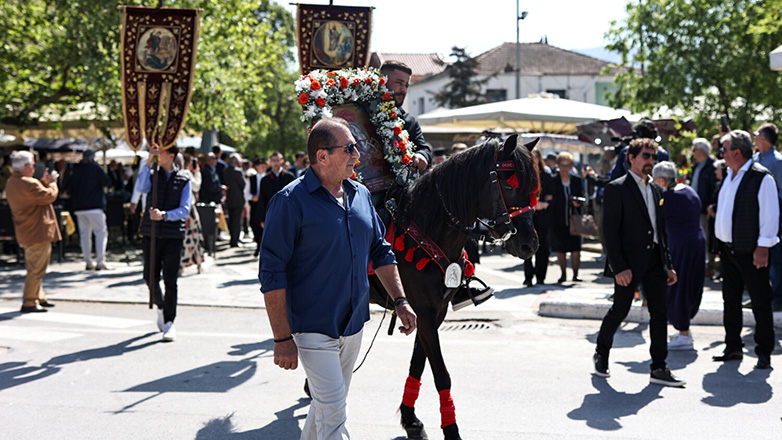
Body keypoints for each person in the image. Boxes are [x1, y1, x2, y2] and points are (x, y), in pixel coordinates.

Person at [260, 117, 416, 439]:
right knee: (334, 415)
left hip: (354, 323)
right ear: (322, 156)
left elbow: (381, 251)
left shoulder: (360, 195)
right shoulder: (290, 202)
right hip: (312, 327)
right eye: (349, 149)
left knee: (325, 405)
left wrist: (400, 301)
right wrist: (281, 338)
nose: (358, 156)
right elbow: (271, 273)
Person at [593, 138, 684, 387]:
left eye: (653, 157)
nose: (650, 162)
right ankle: (601, 353)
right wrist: (619, 267)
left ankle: (658, 367)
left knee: (659, 313)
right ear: (631, 158)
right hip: (628, 263)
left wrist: (668, 264)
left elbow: (660, 231)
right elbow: (609, 233)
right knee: (620, 310)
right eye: (645, 156)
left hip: (655, 261)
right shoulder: (617, 188)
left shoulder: (656, 188)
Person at [711, 130, 776, 370]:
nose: (722, 154)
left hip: (751, 251)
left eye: (724, 149)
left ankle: (764, 351)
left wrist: (763, 246)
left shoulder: (761, 177)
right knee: (731, 300)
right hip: (729, 251)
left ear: (737, 153)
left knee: (760, 301)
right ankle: (733, 346)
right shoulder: (729, 175)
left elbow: (770, 216)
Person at [134, 144, 191, 342]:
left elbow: (185, 209)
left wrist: (165, 215)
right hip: (151, 232)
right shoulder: (152, 174)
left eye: (161, 152)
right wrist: (149, 161)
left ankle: (169, 321)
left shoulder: (184, 179)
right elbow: (141, 188)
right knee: (149, 276)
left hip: (173, 234)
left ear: (172, 156)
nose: (158, 155)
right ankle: (161, 305)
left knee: (170, 279)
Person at [652, 161, 705, 351]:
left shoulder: (669, 198)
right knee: (690, 284)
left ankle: (684, 333)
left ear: (663, 180)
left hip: (682, 247)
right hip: (696, 243)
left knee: (679, 287)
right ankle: (684, 331)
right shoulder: (689, 191)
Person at [5, 150, 61, 313]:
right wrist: (52, 182)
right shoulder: (29, 183)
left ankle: (39, 296)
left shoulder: (12, 182)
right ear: (27, 166)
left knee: (34, 266)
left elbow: (36, 196)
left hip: (26, 231)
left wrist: (43, 182)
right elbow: (49, 196)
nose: (34, 168)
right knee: (37, 268)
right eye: (33, 165)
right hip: (37, 231)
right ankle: (29, 300)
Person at [752, 123, 782, 312]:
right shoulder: (756, 158)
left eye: (756, 135)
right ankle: (761, 295)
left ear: (763, 138)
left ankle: (777, 297)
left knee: (775, 259)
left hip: (773, 217)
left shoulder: (777, 162)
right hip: (754, 217)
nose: (754, 137)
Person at [69, 150, 112, 270]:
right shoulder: (95, 169)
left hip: (79, 207)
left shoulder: (76, 170)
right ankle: (100, 261)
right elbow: (107, 182)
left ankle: (88, 261)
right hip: (94, 206)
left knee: (84, 236)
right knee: (100, 233)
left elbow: (70, 187)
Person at [549, 152, 584, 283]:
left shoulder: (576, 180)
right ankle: (563, 274)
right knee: (560, 249)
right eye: (562, 165)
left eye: (567, 165)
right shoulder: (553, 180)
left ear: (571, 166)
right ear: (558, 166)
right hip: (557, 219)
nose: (564, 168)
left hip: (573, 219)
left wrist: (578, 202)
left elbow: (582, 196)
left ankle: (576, 274)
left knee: (576, 248)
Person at [688, 138, 717, 276]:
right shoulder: (695, 166)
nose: (692, 153)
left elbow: (714, 189)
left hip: (706, 209)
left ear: (701, 151)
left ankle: (709, 266)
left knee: (707, 237)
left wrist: (712, 205)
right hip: (694, 209)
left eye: (694, 149)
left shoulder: (712, 166)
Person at [524, 149, 554, 285]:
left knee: (543, 247)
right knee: (526, 245)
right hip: (527, 215)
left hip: (543, 216)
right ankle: (528, 276)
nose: (534, 160)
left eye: (536, 157)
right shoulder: (524, 175)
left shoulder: (546, 176)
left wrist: (544, 203)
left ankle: (541, 277)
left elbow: (551, 197)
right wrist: (536, 204)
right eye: (531, 157)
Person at [179, 154, 204, 274]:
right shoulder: (186, 174)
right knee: (195, 237)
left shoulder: (173, 173)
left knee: (182, 238)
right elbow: (196, 187)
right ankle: (198, 264)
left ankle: (181, 265)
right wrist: (197, 172)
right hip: (190, 210)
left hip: (178, 210)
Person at [259, 151, 295, 229]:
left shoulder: (290, 177)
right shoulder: (265, 180)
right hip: (271, 212)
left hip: (287, 212)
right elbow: (262, 199)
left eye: (277, 160)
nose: (275, 163)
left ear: (282, 161)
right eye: (273, 160)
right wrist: (262, 218)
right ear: (270, 162)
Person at [223, 153, 246, 248]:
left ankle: (233, 239)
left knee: (232, 220)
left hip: (229, 199)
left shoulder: (226, 170)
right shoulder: (237, 171)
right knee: (236, 221)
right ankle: (234, 240)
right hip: (237, 199)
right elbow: (243, 184)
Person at [246, 156, 267, 256]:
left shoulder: (268, 177)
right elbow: (246, 193)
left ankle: (262, 245)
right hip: (255, 205)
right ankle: (258, 243)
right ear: (256, 167)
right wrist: (252, 197)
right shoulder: (252, 179)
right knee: (254, 224)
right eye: (261, 166)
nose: (264, 167)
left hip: (266, 205)